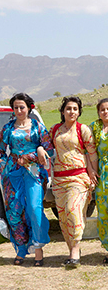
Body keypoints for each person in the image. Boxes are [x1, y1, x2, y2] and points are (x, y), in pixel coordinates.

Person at [0, 93, 54, 266]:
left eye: (22, 107)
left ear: (29, 108)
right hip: (12, 173)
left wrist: (33, 154)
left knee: (34, 208)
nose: (19, 110)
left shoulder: (38, 127)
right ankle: (20, 249)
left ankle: (38, 248)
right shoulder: (8, 128)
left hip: (33, 173)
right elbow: (1, 148)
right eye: (16, 107)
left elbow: (49, 150)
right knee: (14, 211)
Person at [49, 96, 98, 268]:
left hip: (79, 178)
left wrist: (93, 172)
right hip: (59, 179)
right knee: (62, 216)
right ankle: (72, 250)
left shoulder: (83, 129)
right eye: (68, 108)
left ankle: (75, 250)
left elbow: (91, 153)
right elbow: (46, 147)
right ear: (62, 111)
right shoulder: (55, 130)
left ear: (79, 112)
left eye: (75, 109)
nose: (72, 112)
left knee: (73, 210)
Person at [90, 98, 108, 265]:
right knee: (103, 213)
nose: (105, 112)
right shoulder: (94, 127)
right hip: (102, 176)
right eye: (102, 109)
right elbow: (88, 150)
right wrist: (92, 170)